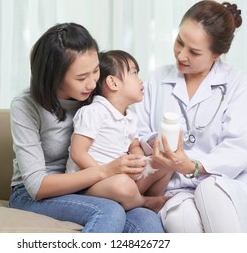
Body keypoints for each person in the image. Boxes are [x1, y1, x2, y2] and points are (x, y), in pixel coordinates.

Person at [135, 0, 247, 232]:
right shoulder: (157, 79)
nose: (181, 55)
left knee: (210, 190)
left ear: (217, 54)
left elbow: (237, 148)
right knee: (179, 219)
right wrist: (159, 144)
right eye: (179, 42)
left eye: (194, 52)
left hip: (230, 180)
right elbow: (140, 131)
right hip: (177, 186)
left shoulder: (239, 84)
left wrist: (193, 165)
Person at [9, 22, 165, 233]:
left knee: (147, 220)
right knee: (109, 212)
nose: (92, 83)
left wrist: (147, 148)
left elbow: (122, 131)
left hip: (89, 188)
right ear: (53, 76)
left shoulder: (95, 97)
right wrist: (107, 171)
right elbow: (37, 186)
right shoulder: (25, 106)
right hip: (34, 194)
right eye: (81, 78)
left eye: (95, 71)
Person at [66, 50, 172, 213]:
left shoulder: (130, 116)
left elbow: (134, 145)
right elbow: (78, 153)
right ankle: (144, 201)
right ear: (113, 83)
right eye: (134, 73)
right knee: (123, 184)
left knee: (166, 162)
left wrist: (140, 163)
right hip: (91, 184)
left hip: (122, 178)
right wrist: (105, 174)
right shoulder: (94, 112)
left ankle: (148, 201)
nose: (140, 80)